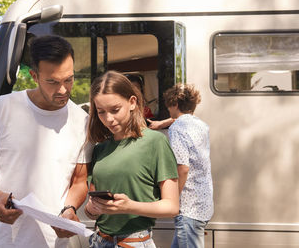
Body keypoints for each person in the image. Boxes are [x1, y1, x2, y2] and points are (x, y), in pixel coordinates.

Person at [0, 35, 91, 248]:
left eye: (69, 79)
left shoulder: (83, 121)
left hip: (52, 243)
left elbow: (79, 181)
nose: (63, 89)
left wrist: (69, 209)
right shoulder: (3, 107)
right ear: (34, 75)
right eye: (52, 81)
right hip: (0, 240)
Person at [84, 70, 180, 248]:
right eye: (101, 112)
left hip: (134, 242)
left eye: (115, 110)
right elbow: (91, 211)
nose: (109, 119)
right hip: (99, 240)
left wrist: (129, 206)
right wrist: (92, 208)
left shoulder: (155, 142)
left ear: (132, 102)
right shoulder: (99, 149)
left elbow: (172, 206)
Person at [164, 84, 214, 248]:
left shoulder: (177, 128)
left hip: (189, 207)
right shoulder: (201, 125)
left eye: (168, 105)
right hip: (203, 202)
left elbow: (183, 167)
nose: (168, 109)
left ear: (175, 104)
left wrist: (172, 197)